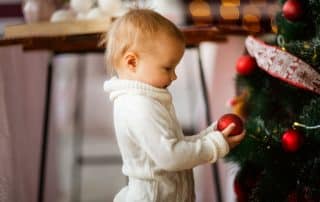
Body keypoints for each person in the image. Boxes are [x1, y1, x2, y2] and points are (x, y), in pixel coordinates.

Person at [103, 8, 245, 202]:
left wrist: (211, 135)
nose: (174, 76)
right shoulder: (138, 107)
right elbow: (171, 157)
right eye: (167, 68)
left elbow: (174, 145)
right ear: (132, 62)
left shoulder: (147, 100)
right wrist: (215, 145)